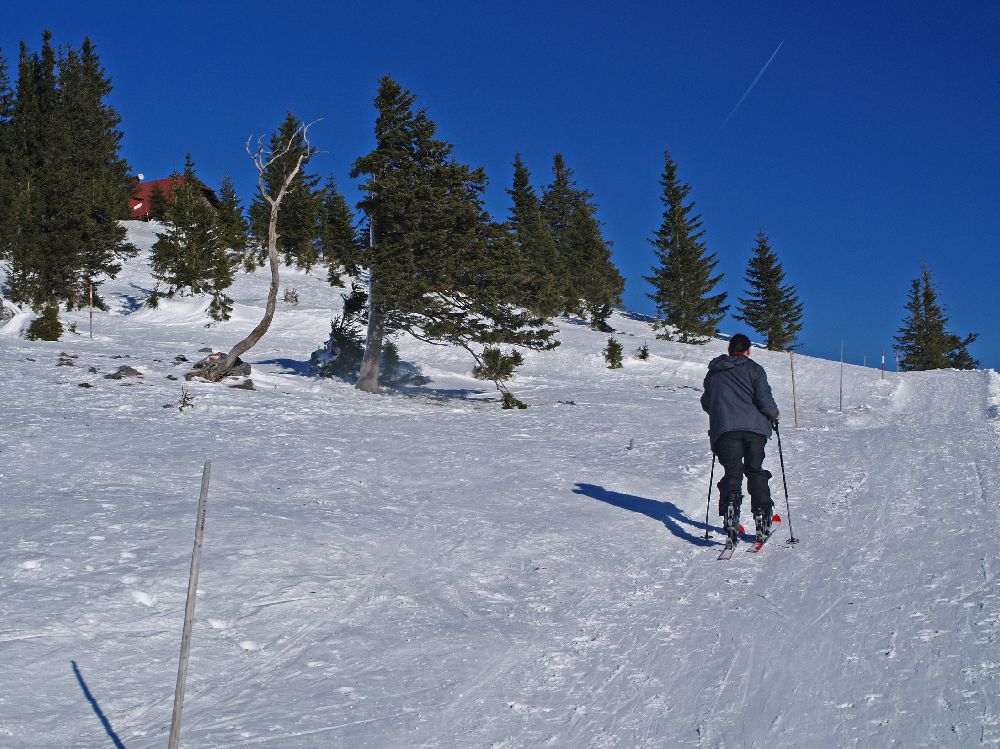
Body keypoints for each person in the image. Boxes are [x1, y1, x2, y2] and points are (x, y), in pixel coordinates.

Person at [700, 334, 780, 545]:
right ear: (748, 350)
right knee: (755, 470)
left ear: (729, 349)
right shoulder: (755, 370)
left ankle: (730, 509)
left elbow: (707, 403)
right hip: (754, 430)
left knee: (732, 472)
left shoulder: (715, 372)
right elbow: (764, 399)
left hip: (726, 430)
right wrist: (774, 414)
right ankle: (762, 515)